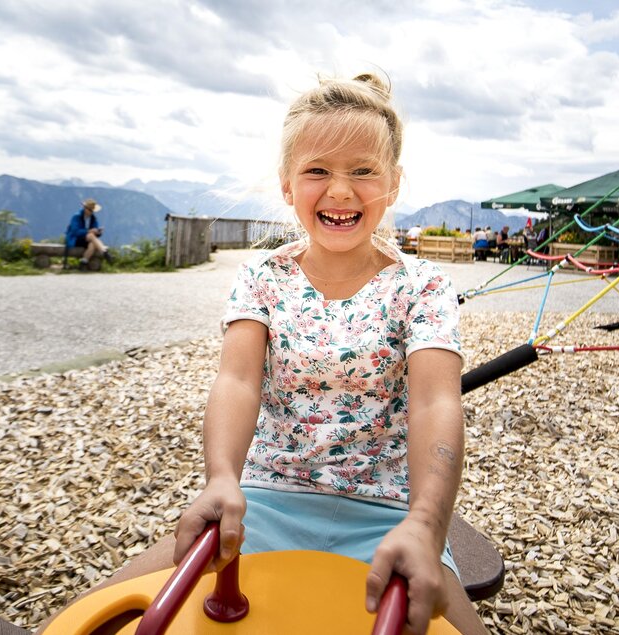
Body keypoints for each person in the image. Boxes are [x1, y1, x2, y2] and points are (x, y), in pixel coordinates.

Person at [40, 73, 485, 635]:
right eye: (317, 171)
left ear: (394, 184)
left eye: (363, 171)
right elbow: (238, 381)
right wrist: (221, 477)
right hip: (266, 499)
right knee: (93, 613)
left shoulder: (422, 285)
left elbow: (434, 403)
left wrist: (426, 522)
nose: (341, 191)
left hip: (393, 512)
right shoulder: (264, 278)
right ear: (287, 184)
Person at [65, 198, 113, 269]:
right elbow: (75, 232)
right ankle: (104, 252)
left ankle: (83, 262)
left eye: (92, 210)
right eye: (89, 210)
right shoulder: (76, 217)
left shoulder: (93, 218)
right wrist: (89, 231)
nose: (91, 212)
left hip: (87, 239)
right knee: (90, 235)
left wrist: (98, 232)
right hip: (75, 239)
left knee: (92, 244)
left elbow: (95, 234)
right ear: (84, 208)